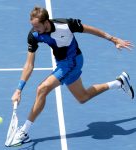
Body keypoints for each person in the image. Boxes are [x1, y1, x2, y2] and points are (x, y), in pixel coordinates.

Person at [11, 6, 134, 145]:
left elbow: (91, 30)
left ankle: (24, 132)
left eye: (38, 26)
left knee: (42, 89)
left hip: (73, 61)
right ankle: (119, 82)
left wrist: (114, 39)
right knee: (83, 97)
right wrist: (19, 89)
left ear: (46, 22)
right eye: (33, 26)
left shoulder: (65, 25)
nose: (35, 30)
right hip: (62, 63)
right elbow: (29, 64)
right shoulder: (34, 35)